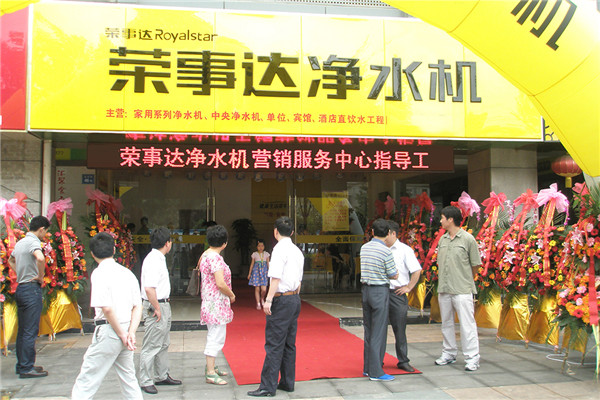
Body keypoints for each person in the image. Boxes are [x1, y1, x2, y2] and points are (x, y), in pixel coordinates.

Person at [71, 232, 143, 399]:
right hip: (126, 328)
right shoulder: (127, 273)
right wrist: (130, 333)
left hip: (109, 330)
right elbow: (137, 306)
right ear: (114, 249)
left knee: (88, 378)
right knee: (128, 378)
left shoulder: (99, 273)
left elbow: (107, 309)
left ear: (92, 254)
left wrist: (121, 334)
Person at [247, 216, 304, 397]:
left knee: (274, 343)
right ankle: (287, 382)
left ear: (275, 232)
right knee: (289, 343)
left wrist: (269, 300)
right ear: (292, 232)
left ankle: (267, 386)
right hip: (294, 298)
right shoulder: (297, 251)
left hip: (282, 300)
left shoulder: (278, 250)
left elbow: (275, 278)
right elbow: (299, 280)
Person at [434, 206, 482, 372]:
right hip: (444, 288)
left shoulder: (468, 239)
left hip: (462, 289)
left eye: (442, 218)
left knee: (467, 325)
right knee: (446, 323)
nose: (440, 221)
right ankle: (448, 353)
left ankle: (472, 357)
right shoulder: (443, 239)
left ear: (450, 219)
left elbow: (475, 264)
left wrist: (466, 279)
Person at [138, 227, 181, 395]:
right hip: (156, 305)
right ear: (167, 243)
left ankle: (161, 375)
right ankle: (145, 380)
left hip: (162, 304)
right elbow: (149, 288)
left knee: (163, 343)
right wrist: (156, 307)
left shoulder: (158, 258)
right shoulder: (153, 260)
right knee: (152, 344)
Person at [8, 215, 50, 378]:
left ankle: (22, 365)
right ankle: (27, 368)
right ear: (41, 229)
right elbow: (40, 258)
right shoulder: (33, 242)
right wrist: (40, 276)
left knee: (23, 330)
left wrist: (20, 273)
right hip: (31, 289)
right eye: (45, 231)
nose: (45, 235)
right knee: (30, 330)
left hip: (21, 288)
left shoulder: (20, 243)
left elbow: (11, 260)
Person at [360, 218, 398, 382]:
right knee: (379, 332)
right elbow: (393, 274)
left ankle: (367, 367)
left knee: (368, 330)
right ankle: (376, 371)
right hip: (380, 291)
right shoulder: (386, 251)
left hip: (366, 290)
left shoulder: (364, 248)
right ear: (388, 233)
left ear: (372, 232)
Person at [199, 224, 235, 385]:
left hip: (209, 302)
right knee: (216, 336)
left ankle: (211, 367)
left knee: (213, 333)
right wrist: (231, 294)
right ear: (224, 243)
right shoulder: (216, 259)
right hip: (217, 303)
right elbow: (220, 283)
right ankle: (210, 372)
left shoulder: (205, 255)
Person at [384, 220, 422, 373]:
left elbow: (416, 270)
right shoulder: (380, 248)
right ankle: (377, 359)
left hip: (397, 293)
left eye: (386, 234)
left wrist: (409, 287)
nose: (383, 237)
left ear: (393, 233)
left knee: (399, 328)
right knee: (379, 328)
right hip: (381, 292)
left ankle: (403, 360)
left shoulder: (405, 250)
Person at [247, 239, 270, 310]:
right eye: (259, 246)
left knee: (264, 289)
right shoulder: (254, 254)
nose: (260, 247)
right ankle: (258, 303)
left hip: (264, 272)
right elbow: (252, 264)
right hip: (256, 272)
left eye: (262, 246)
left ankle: (262, 298)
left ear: (264, 246)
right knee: (257, 289)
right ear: (257, 247)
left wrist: (270, 272)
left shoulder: (266, 254)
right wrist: (249, 273)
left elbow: (268, 264)